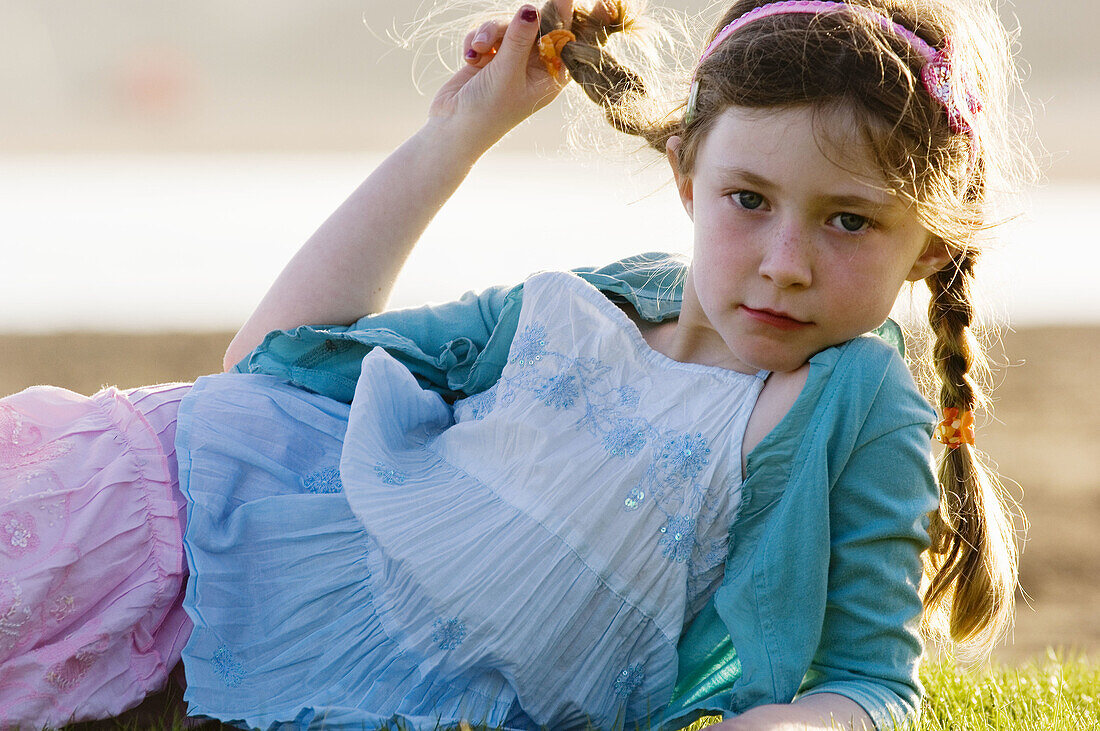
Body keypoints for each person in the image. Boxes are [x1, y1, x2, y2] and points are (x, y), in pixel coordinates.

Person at [0, 0, 1033, 728]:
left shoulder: (852, 401)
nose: (784, 263)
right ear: (684, 173)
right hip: (165, 492)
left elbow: (868, 677)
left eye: (847, 220)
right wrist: (462, 130)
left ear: (928, 244)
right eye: (747, 199)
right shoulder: (598, 301)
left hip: (248, 610)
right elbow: (272, 362)